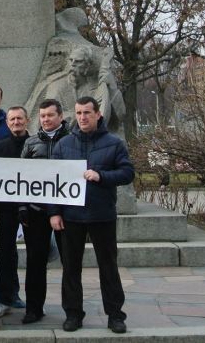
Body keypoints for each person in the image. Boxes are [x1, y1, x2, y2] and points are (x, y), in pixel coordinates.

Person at [50, 97, 134, 335]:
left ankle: (115, 315)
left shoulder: (114, 143)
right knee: (70, 269)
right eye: (78, 113)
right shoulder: (63, 145)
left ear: (98, 114)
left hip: (101, 215)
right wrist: (54, 212)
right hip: (71, 216)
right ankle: (73, 314)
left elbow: (127, 173)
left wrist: (101, 176)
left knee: (108, 267)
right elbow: (53, 181)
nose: (82, 117)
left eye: (87, 112)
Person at [19, 98, 70, 324]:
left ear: (60, 116)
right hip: (36, 210)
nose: (46, 119)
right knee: (35, 262)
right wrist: (22, 207)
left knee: (70, 262)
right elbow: (20, 177)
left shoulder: (71, 140)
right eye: (42, 116)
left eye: (50, 115)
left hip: (65, 211)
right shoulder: (30, 143)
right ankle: (34, 309)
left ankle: (72, 310)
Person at [0, 106, 29, 313]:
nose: (16, 122)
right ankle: (6, 295)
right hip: (6, 208)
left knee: (34, 254)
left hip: (32, 208)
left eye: (19, 118)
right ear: (7, 123)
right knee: (7, 252)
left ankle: (29, 299)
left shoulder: (35, 144)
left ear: (27, 120)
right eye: (12, 119)